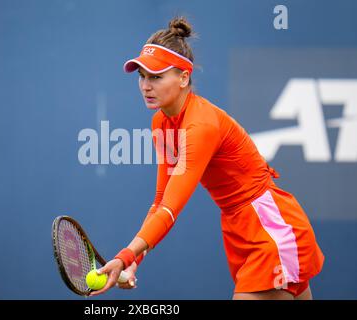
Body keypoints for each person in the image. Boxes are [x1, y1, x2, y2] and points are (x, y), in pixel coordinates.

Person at [90, 17, 324, 300]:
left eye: (156, 76)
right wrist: (134, 262)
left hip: (269, 227)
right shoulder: (160, 123)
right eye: (142, 76)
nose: (145, 86)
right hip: (240, 229)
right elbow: (161, 201)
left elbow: (171, 209)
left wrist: (126, 255)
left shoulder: (201, 126)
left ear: (184, 78)